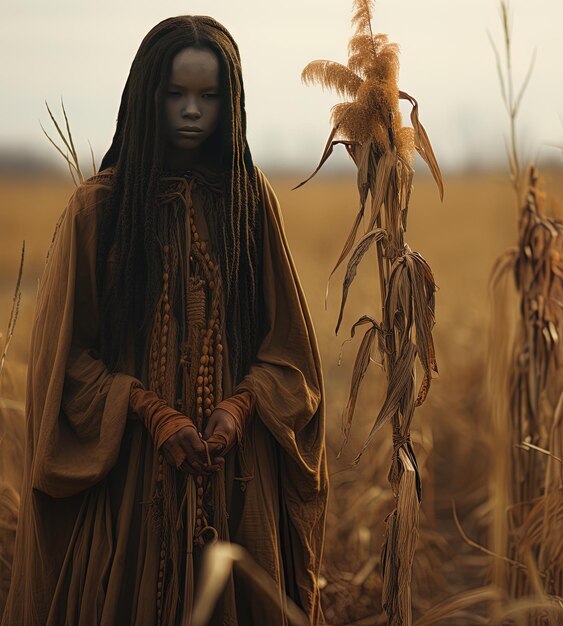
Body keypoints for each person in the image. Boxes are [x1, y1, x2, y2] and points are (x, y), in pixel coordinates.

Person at [2, 15, 327, 626]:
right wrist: (150, 412)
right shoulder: (100, 208)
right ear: (145, 95)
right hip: (128, 480)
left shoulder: (248, 201)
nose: (191, 111)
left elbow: (291, 356)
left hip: (235, 477)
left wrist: (238, 408)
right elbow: (64, 361)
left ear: (230, 104)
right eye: (175, 93)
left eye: (208, 96)